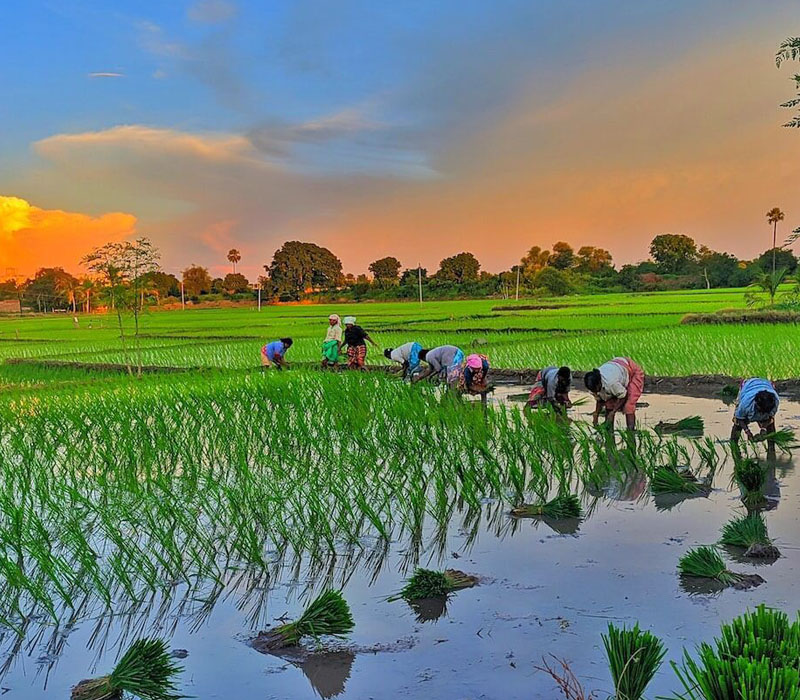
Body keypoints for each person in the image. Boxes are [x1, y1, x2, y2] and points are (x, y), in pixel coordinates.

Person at [584, 357, 645, 430]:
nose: (595, 392)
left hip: (631, 371)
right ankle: (609, 430)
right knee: (609, 405)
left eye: (595, 390)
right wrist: (596, 414)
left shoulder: (611, 383)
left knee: (628, 406)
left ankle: (630, 431)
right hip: (616, 368)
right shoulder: (593, 386)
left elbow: (623, 396)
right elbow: (600, 400)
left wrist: (614, 411)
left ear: (599, 384)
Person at [730, 378, 779, 442]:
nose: (762, 414)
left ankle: (771, 448)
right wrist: (747, 432)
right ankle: (734, 444)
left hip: (766, 384)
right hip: (748, 386)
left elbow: (771, 418)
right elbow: (739, 418)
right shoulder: (745, 404)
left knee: (770, 427)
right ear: (756, 404)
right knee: (737, 425)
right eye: (761, 411)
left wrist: (763, 429)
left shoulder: (775, 402)